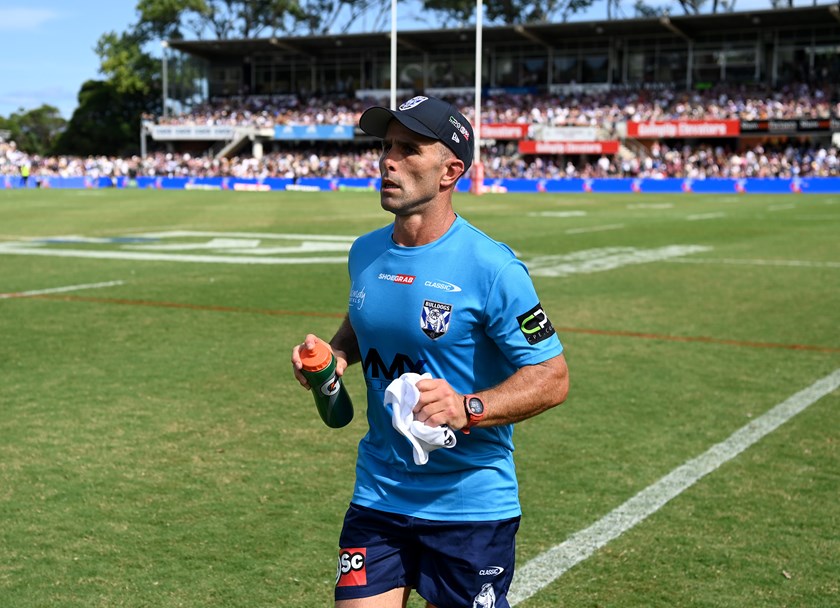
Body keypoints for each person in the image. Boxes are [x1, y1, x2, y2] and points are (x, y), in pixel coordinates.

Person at [291, 95, 569, 608]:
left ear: (450, 171)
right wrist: (335, 355)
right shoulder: (365, 251)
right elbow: (365, 314)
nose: (387, 160)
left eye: (409, 149)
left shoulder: (494, 269)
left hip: (468, 508)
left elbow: (552, 377)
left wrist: (469, 407)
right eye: (386, 146)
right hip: (378, 494)